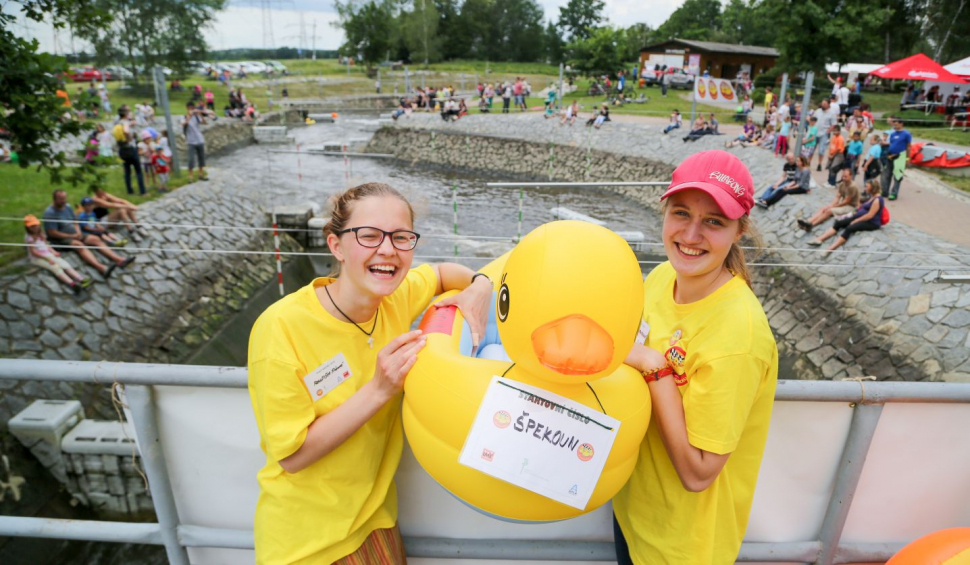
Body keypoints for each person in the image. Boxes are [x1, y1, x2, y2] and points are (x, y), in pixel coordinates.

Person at [247, 182, 493, 564]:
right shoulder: (281, 329)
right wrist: (380, 389)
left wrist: (480, 285)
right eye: (369, 236)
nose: (388, 249)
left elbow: (444, 273)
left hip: (376, 522)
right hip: (307, 545)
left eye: (401, 237)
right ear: (336, 246)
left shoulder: (394, 299)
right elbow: (291, 456)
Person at [614, 150, 778, 565]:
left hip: (683, 546)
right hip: (633, 512)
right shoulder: (662, 277)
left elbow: (698, 473)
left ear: (739, 229)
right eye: (681, 213)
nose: (689, 235)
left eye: (713, 222)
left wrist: (655, 368)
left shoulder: (737, 334)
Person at [42, 189, 134, 279]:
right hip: (61, 239)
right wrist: (71, 236)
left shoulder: (67, 206)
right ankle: (101, 268)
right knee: (79, 245)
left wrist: (78, 231)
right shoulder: (50, 213)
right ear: (54, 199)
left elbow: (75, 220)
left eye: (64, 198)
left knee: (95, 239)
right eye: (61, 199)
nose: (64, 201)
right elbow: (52, 233)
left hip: (75, 233)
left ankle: (119, 260)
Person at [809, 179, 886, 253]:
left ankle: (830, 248)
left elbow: (870, 215)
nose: (865, 188)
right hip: (859, 216)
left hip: (871, 222)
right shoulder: (871, 196)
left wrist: (856, 220)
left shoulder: (877, 200)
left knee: (850, 228)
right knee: (839, 223)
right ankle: (820, 239)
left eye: (867, 187)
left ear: (873, 188)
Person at [24, 215, 91, 295]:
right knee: (55, 267)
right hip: (37, 258)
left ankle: (81, 279)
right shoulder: (29, 238)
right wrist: (48, 259)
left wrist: (53, 251)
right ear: (28, 228)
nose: (35, 228)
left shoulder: (41, 234)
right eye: (32, 226)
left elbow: (46, 244)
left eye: (36, 225)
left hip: (48, 254)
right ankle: (72, 284)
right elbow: (33, 252)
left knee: (64, 264)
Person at [114, 108, 146, 195]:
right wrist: (129, 138)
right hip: (130, 148)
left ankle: (129, 191)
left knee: (127, 171)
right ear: (125, 114)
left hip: (122, 149)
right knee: (138, 171)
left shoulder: (118, 123)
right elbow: (126, 131)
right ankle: (142, 191)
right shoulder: (125, 123)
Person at [885, 119, 912, 200]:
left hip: (900, 157)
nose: (895, 126)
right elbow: (891, 143)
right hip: (890, 156)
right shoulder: (893, 134)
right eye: (894, 125)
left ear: (901, 124)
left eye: (896, 125)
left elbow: (908, 146)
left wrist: (907, 158)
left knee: (897, 175)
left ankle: (894, 193)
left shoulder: (906, 134)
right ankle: (885, 191)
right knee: (887, 174)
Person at [182, 102, 208, 182]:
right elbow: (184, 124)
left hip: (199, 140)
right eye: (189, 108)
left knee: (201, 158)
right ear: (187, 108)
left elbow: (205, 122)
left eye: (192, 108)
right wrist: (189, 116)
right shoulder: (184, 117)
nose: (191, 109)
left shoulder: (197, 117)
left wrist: (200, 114)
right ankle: (190, 177)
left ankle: (200, 174)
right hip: (191, 141)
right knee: (191, 160)